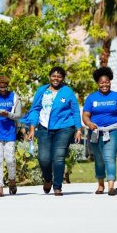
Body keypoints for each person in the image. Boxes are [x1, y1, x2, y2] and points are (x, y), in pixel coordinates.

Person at [23, 67, 82, 196]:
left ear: (63, 78)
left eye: (59, 76)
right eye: (54, 76)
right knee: (43, 158)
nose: (56, 78)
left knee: (59, 157)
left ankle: (57, 186)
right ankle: (48, 179)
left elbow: (75, 111)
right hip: (44, 128)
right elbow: (35, 109)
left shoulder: (67, 91)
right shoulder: (42, 90)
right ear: (49, 77)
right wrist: (32, 128)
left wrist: (78, 129)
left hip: (64, 128)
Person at [82, 67, 117, 196]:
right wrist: (89, 124)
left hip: (113, 130)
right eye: (102, 82)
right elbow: (85, 115)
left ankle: (111, 186)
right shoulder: (91, 98)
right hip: (95, 132)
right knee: (99, 159)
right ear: (97, 83)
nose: (104, 85)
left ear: (110, 82)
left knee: (109, 157)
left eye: (107, 82)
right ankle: (100, 185)